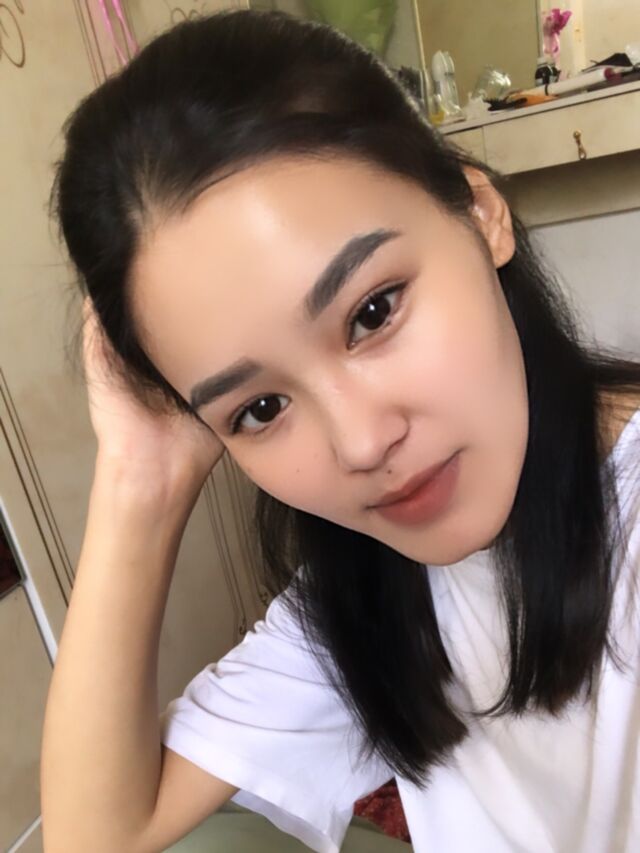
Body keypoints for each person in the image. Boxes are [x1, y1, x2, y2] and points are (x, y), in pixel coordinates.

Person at [40, 9, 640, 853]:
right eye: (258, 409)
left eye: (373, 312)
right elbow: (95, 836)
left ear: (480, 212)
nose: (361, 444)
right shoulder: (365, 591)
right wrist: (141, 473)